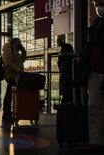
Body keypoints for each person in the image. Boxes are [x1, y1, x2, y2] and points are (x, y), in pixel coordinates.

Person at [76, 0, 104, 151]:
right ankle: (96, 140)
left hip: (98, 70)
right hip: (94, 71)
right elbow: (91, 46)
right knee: (94, 107)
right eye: (95, 4)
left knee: (96, 107)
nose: (97, 6)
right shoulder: (96, 24)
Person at [2, 38, 26, 122]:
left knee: (11, 94)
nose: (20, 44)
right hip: (11, 76)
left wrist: (23, 52)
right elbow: (8, 63)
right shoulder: (8, 50)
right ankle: (6, 113)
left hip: (16, 75)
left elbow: (21, 61)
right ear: (15, 43)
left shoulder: (15, 51)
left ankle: (10, 112)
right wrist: (18, 70)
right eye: (19, 43)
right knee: (9, 94)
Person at [57, 39, 75, 104]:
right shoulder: (70, 61)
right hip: (69, 85)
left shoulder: (61, 60)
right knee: (68, 100)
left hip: (64, 85)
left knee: (65, 100)